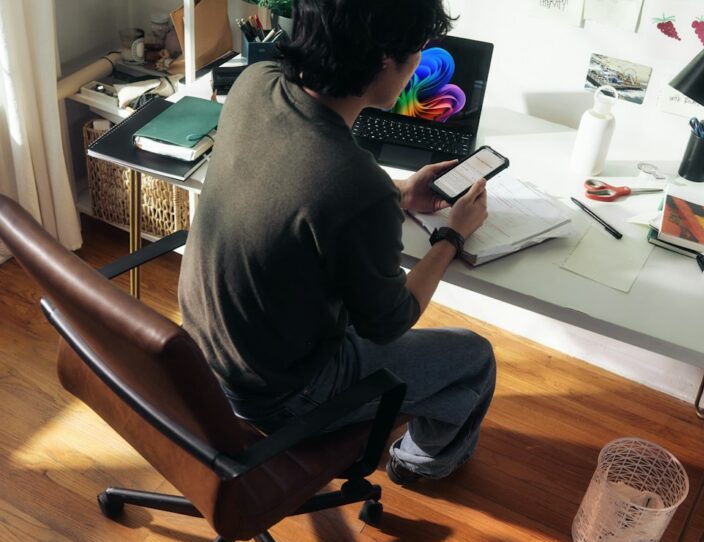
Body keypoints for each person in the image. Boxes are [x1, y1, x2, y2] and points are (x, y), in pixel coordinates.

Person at [178, 0, 496, 484]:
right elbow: (390, 321)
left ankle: (407, 423)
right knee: (474, 359)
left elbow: (296, 181)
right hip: (280, 394)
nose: (418, 66)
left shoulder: (255, 82)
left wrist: (400, 192)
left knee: (412, 354)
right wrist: (453, 235)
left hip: (204, 357)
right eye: (418, 53)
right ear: (385, 61)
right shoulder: (356, 184)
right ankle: (419, 463)